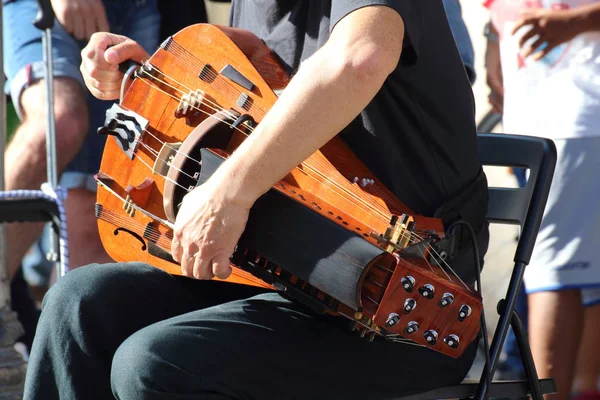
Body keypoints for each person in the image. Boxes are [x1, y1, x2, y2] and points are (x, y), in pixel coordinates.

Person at [24, 1, 490, 398]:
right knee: (75, 304)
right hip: (274, 278)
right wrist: (158, 73)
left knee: (151, 363)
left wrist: (229, 191)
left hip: (408, 308)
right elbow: (265, 71)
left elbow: (360, 56)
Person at [484, 1, 600, 398]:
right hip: (539, 115)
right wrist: (490, 40)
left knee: (553, 274)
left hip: (577, 117)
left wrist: (578, 21)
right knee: (576, 276)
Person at [2, 0, 160, 281]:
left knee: (96, 212)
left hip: (146, 10)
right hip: (41, 7)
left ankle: (41, 296)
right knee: (56, 124)